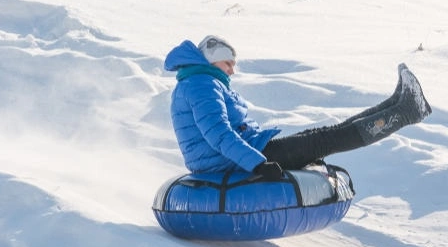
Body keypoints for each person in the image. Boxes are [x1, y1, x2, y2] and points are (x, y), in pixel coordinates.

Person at [163, 35, 432, 179]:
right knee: (323, 139)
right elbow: (219, 134)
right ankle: (405, 111)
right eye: (228, 64)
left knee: (324, 134)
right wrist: (258, 165)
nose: (232, 71)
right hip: (228, 162)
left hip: (239, 154)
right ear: (212, 61)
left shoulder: (199, 81)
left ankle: (397, 103)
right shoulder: (201, 84)